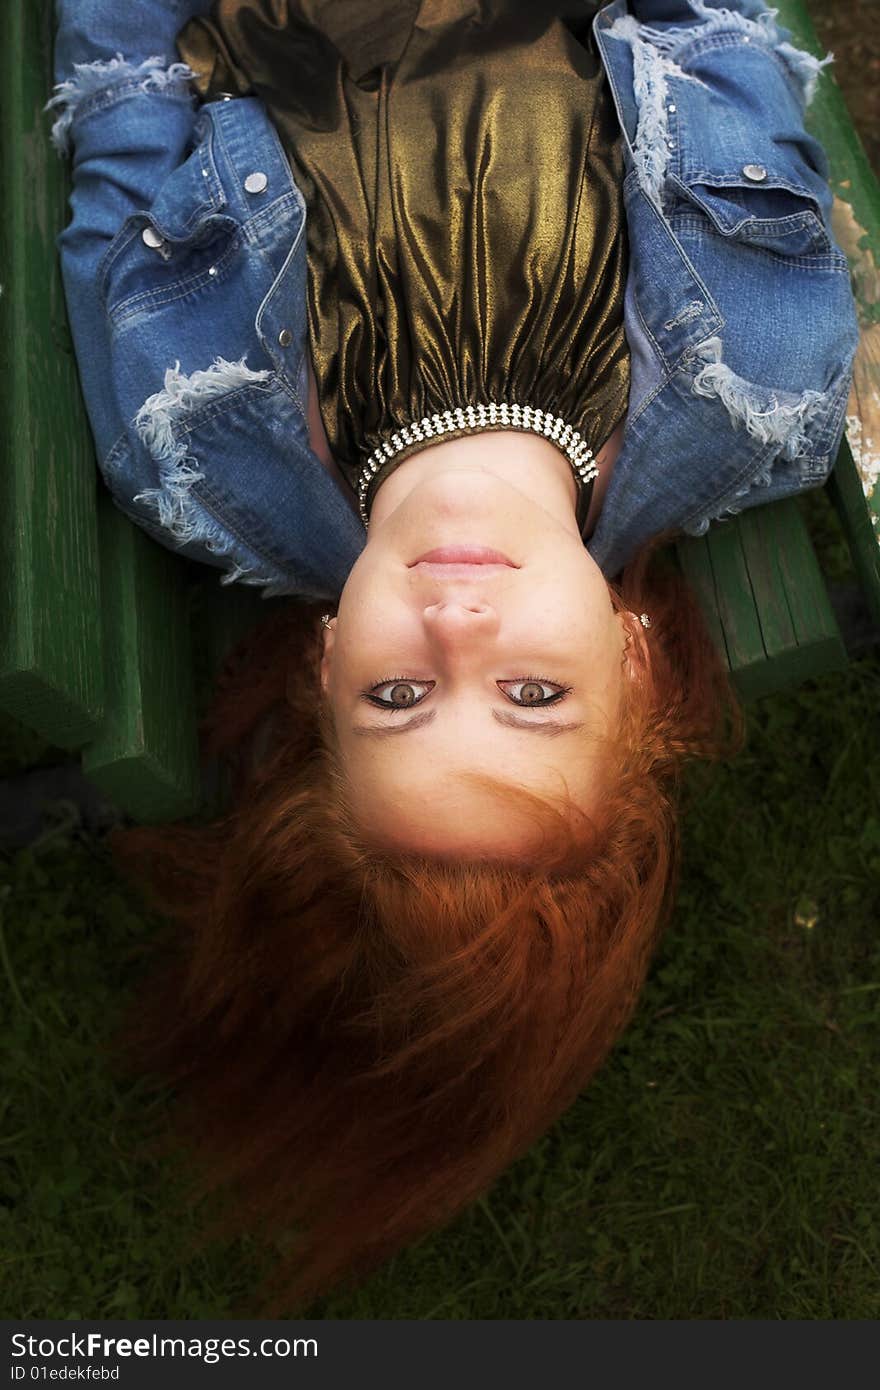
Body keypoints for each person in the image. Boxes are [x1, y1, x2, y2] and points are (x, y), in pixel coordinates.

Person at [49, 0, 857, 1309]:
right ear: (636, 662)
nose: (457, 628)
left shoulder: (186, 442)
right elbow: (716, 37)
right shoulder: (760, 374)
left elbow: (124, 99)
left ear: (322, 666)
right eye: (532, 696)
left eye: (398, 696)